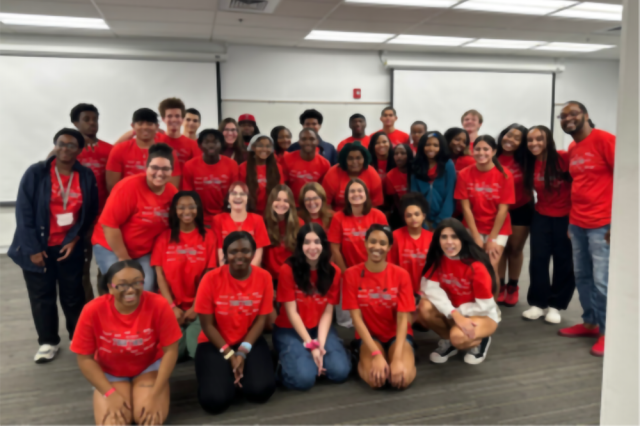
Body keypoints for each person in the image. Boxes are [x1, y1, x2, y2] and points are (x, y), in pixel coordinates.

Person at [9, 128, 99, 363]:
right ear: (55, 145)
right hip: (38, 246)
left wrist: (76, 238)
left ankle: (79, 340)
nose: (65, 149)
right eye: (61, 143)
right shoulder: (36, 173)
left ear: (79, 150)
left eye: (71, 145)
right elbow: (24, 213)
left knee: (73, 295)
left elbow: (89, 212)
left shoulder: (86, 176)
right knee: (42, 296)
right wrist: (32, 249)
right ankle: (48, 342)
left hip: (69, 246)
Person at [70, 260, 181, 426]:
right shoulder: (92, 310)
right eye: (122, 285)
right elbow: (84, 358)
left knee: (147, 420)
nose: (130, 290)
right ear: (109, 287)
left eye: (137, 282)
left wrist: (156, 394)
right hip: (110, 371)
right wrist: (109, 394)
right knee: (114, 423)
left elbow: (171, 351)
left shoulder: (159, 304)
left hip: (148, 367)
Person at [194, 232, 276, 414]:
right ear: (225, 254)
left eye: (246, 250)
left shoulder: (264, 277)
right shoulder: (210, 279)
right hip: (215, 343)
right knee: (215, 401)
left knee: (261, 391)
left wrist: (242, 352)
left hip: (248, 340)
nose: (240, 256)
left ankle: (241, 374)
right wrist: (230, 355)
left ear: (254, 253)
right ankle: (225, 376)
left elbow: (261, 320)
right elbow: (207, 326)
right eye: (233, 251)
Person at [558, 101, 615, 357]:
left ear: (586, 115)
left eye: (573, 113)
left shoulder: (606, 140)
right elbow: (579, 185)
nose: (568, 118)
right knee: (582, 276)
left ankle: (607, 332)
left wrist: (619, 223)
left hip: (603, 223)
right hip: (578, 222)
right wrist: (572, 221)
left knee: (603, 281)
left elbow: (627, 180)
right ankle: (590, 322)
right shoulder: (573, 147)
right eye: (563, 116)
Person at [273, 223, 350, 390]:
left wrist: (320, 344)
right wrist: (311, 345)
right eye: (307, 242)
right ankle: (283, 365)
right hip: (290, 328)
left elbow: (328, 312)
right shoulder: (288, 270)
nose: (312, 247)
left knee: (340, 372)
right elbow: (292, 313)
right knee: (303, 379)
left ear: (323, 244)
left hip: (319, 327)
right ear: (300, 246)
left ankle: (312, 358)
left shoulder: (333, 272)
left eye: (317, 242)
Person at [93, 144, 179, 291]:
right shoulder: (128, 187)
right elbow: (109, 225)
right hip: (111, 247)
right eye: (155, 168)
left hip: (142, 251)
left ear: (172, 171)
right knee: (124, 288)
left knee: (146, 288)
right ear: (146, 167)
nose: (160, 173)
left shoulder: (171, 192)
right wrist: (125, 260)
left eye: (165, 169)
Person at [343, 225, 416, 389]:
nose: (377, 247)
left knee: (401, 380)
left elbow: (403, 318)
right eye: (373, 242)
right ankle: (361, 356)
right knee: (377, 381)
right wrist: (375, 354)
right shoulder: (351, 274)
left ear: (389, 247)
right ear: (365, 243)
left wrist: (397, 359)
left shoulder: (401, 274)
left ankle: (397, 356)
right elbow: (356, 319)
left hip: (396, 335)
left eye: (382, 243)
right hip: (369, 336)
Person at [417, 218, 500, 365]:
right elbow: (429, 288)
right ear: (438, 240)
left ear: (462, 238)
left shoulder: (476, 266)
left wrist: (458, 314)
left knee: (458, 337)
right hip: (456, 312)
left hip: (482, 314)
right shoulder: (439, 260)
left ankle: (480, 341)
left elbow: (485, 306)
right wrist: (455, 314)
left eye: (454, 236)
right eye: (444, 237)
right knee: (423, 308)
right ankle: (450, 342)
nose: (449, 242)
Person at [152, 191, 217, 361]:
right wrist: (172, 307)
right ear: (174, 210)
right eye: (181, 207)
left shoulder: (209, 236)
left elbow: (208, 275)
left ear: (198, 209)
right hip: (172, 309)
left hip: (200, 308)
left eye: (191, 206)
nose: (186, 211)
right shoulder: (163, 238)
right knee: (175, 354)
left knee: (197, 351)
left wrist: (196, 307)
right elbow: (159, 275)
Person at [522, 125, 574, 324]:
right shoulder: (530, 163)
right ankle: (538, 302)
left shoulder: (563, 158)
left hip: (567, 216)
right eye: (530, 140)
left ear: (548, 140)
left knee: (564, 261)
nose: (534, 143)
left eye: (539, 139)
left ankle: (556, 305)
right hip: (541, 215)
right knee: (538, 260)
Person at [454, 135, 515, 281]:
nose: (481, 152)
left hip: (497, 229)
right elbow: (466, 208)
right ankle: (472, 303)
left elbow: (503, 210)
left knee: (490, 269)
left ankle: (491, 304)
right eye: (478, 149)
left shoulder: (505, 174)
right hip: (473, 226)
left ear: (494, 151)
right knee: (472, 268)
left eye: (486, 149)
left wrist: (492, 239)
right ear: (472, 151)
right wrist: (475, 237)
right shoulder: (464, 174)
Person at [69, 103, 113, 300]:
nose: (92, 123)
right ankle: (89, 310)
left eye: (95, 119)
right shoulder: (68, 152)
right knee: (81, 270)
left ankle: (107, 307)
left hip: (105, 220)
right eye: (86, 120)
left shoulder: (109, 149)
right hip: (79, 221)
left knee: (106, 269)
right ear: (75, 123)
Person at [496, 124, 533, 307]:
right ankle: (500, 285)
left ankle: (513, 286)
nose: (510, 140)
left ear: (522, 143)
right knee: (500, 249)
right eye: (509, 135)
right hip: (497, 210)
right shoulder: (493, 155)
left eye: (517, 138)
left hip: (521, 208)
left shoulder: (526, 160)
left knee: (515, 249)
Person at [106, 108, 181, 191]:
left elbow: (173, 185)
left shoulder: (167, 152)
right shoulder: (119, 149)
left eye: (149, 124)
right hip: (128, 199)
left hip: (159, 201)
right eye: (140, 123)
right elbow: (112, 186)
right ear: (133, 126)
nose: (145, 127)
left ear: (156, 127)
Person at [328, 179, 388, 273]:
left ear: (366, 195)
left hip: (375, 270)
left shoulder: (379, 216)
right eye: (352, 191)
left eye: (360, 191)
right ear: (347, 196)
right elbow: (335, 249)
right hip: (349, 270)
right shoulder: (338, 218)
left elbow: (385, 246)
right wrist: (345, 272)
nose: (356, 194)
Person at [182, 129, 239, 226]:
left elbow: (235, 195)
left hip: (225, 217)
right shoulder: (189, 166)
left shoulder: (232, 165)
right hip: (198, 219)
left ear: (221, 144)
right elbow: (188, 196)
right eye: (207, 142)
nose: (211, 145)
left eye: (215, 142)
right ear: (200, 145)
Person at [211, 182, 270, 266]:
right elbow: (220, 252)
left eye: (242, 194)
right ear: (228, 199)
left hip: (251, 270)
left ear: (247, 199)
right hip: (227, 270)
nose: (238, 197)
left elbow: (258, 254)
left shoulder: (258, 219)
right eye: (234, 193)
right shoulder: (218, 220)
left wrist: (247, 273)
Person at [388, 194, 433, 294]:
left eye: (417, 214)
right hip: (401, 289)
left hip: (426, 291)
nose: (413, 218)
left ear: (423, 216)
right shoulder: (395, 236)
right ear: (404, 218)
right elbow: (391, 265)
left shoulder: (432, 238)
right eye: (409, 215)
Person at [410, 132, 456, 229]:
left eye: (436, 145)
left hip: (443, 221)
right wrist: (421, 221)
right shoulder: (416, 165)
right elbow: (414, 196)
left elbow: (450, 196)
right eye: (428, 145)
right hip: (421, 221)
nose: (431, 148)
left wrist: (441, 221)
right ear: (422, 146)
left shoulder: (448, 165)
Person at [322, 142, 384, 211]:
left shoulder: (372, 175)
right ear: (344, 160)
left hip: (365, 215)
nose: (355, 162)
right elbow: (325, 204)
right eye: (350, 159)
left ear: (364, 159)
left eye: (358, 158)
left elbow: (375, 204)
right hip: (337, 215)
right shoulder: (332, 174)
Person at [262, 185, 304, 284]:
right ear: (271, 202)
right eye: (277, 199)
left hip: (292, 278)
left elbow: (301, 257)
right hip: (270, 280)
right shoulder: (262, 223)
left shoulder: (300, 224)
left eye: (286, 201)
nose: (281, 203)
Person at [282, 128, 331, 206]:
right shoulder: (287, 159)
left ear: (317, 141)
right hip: (292, 205)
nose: (308, 142)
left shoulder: (325, 164)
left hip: (313, 205)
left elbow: (324, 190)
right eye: (304, 139)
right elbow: (283, 186)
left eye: (311, 139)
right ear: (299, 142)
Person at [240, 134, 284, 215]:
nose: (264, 149)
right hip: (250, 213)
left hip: (272, 213)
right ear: (253, 147)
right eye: (260, 146)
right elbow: (240, 194)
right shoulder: (243, 167)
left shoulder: (278, 167)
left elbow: (281, 192)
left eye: (268, 146)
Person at [154, 98, 201, 168]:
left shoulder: (193, 145)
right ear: (163, 119)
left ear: (182, 119)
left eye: (177, 116)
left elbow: (197, 168)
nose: (174, 119)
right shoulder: (155, 140)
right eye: (169, 116)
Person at [384, 144, 414, 228]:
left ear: (409, 155)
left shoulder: (416, 172)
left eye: (403, 153)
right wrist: (403, 213)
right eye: (396, 154)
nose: (399, 156)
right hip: (400, 209)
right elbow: (395, 199)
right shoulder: (390, 175)